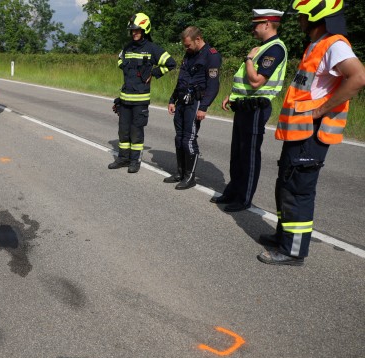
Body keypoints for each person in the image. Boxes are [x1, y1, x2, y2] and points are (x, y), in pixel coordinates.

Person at [257, 0, 365, 266]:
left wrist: (320, 111)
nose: (298, 20)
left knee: (298, 190)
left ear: (316, 17)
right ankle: (284, 237)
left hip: (311, 134)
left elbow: (358, 77)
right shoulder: (316, 45)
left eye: (302, 16)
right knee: (286, 184)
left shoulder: (335, 44)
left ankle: (292, 251)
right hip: (298, 133)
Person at [212, 9, 288, 211]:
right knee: (237, 152)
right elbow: (246, 82)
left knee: (249, 154)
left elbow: (256, 81)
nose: (252, 29)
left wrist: (248, 58)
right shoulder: (263, 48)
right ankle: (233, 191)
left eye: (256, 24)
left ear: (267, 24)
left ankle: (244, 198)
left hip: (256, 109)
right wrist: (233, 95)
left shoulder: (275, 49)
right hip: (244, 106)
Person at [109, 13, 176, 174]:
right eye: (132, 31)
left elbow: (171, 63)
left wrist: (154, 72)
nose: (134, 33)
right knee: (123, 131)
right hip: (125, 99)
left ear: (145, 30)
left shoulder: (153, 49)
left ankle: (134, 161)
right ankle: (123, 158)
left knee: (136, 131)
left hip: (140, 100)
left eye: (137, 30)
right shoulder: (127, 47)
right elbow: (119, 60)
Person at [165, 26, 222, 190]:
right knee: (179, 137)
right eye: (185, 45)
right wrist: (172, 99)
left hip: (196, 101)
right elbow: (182, 78)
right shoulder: (189, 53)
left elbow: (213, 85)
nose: (186, 48)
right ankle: (180, 173)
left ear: (198, 39)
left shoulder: (212, 55)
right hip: (182, 100)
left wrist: (203, 107)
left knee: (188, 138)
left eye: (188, 45)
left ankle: (190, 177)